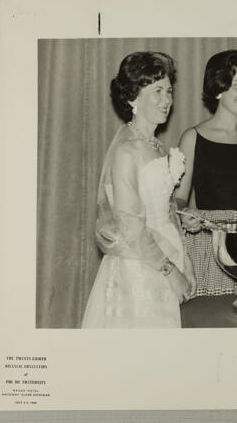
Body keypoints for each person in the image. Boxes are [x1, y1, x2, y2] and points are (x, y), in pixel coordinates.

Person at [82, 51, 195, 328]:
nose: (166, 100)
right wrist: (171, 271)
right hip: (140, 267)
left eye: (169, 91)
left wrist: (185, 259)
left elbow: (162, 210)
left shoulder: (155, 145)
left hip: (166, 253)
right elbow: (132, 228)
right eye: (157, 91)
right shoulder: (126, 151)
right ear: (133, 97)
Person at [175, 49, 237, 296]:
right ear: (219, 87)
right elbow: (177, 198)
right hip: (208, 243)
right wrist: (185, 212)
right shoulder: (192, 138)